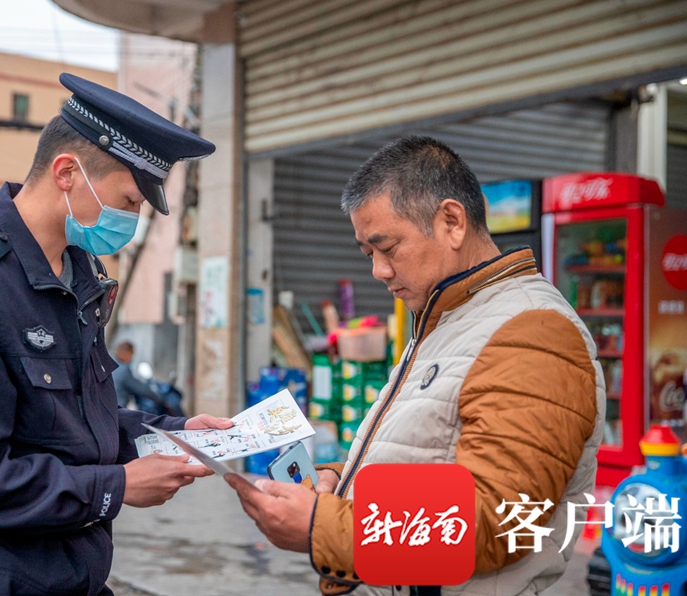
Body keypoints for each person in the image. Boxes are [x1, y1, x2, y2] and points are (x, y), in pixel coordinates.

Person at [0, 73, 232, 596]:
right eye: (128, 201)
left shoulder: (78, 273)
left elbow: (76, 422)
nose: (131, 220)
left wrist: (177, 431)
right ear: (67, 173)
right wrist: (116, 486)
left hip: (75, 567)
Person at [227, 136, 605, 596]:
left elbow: (492, 518)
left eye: (387, 248)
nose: (379, 271)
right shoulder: (449, 317)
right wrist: (341, 483)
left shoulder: (534, 334)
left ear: (452, 222)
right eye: (368, 254)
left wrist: (322, 525)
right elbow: (430, 452)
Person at [111, 341, 173, 414]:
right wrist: (161, 400)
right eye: (131, 355)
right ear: (125, 354)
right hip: (116, 411)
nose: (131, 358)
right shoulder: (123, 370)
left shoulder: (110, 364)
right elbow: (141, 389)